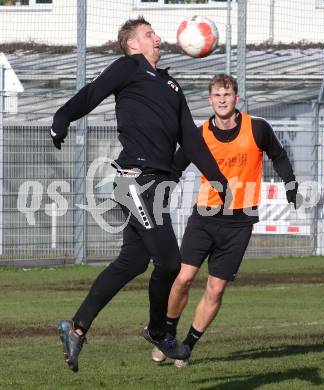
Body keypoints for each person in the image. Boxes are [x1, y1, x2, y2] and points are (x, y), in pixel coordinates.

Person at [51, 17, 228, 373]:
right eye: (149, 34)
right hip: (134, 180)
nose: (158, 38)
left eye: (156, 33)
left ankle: (77, 326)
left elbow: (190, 139)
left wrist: (217, 178)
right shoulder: (128, 67)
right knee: (170, 263)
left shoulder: (170, 84)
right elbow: (93, 92)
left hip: (155, 185)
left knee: (132, 261)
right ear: (133, 45)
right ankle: (159, 330)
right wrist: (63, 115)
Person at [150, 74, 299, 368]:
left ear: (236, 99)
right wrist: (160, 192)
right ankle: (166, 335)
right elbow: (175, 168)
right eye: (217, 95)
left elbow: (279, 156)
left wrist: (290, 184)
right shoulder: (199, 134)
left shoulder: (257, 128)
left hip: (240, 223)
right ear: (209, 100)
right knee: (183, 278)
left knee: (215, 289)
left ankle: (187, 346)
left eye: (227, 94)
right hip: (204, 216)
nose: (222, 99)